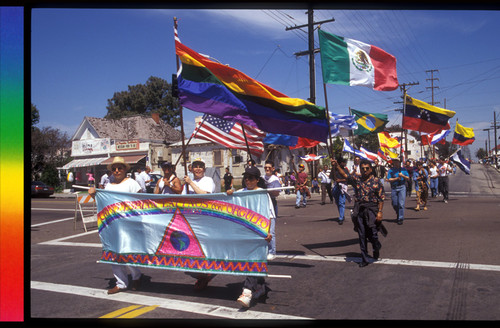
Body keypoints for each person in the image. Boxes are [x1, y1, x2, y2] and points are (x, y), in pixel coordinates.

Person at [89, 156, 143, 294]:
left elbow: (141, 201)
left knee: (129, 252)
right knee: (113, 253)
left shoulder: (132, 183)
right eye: (114, 169)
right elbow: (103, 202)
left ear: (125, 169)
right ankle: (121, 283)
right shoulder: (108, 185)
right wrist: (94, 195)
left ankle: (136, 276)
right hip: (112, 224)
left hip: (129, 223)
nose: (117, 171)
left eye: (120, 168)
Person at [227, 166, 273, 307]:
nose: (247, 180)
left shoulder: (263, 193)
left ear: (257, 180)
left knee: (254, 259)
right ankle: (260, 287)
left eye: (251, 178)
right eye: (246, 178)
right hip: (244, 232)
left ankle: (246, 291)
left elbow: (269, 215)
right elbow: (231, 199)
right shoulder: (241, 192)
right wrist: (229, 192)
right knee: (253, 259)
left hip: (259, 232)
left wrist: (268, 232)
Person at [332, 158, 385, 267]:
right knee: (362, 234)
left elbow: (381, 198)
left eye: (367, 168)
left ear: (371, 169)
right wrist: (336, 165)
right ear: (360, 170)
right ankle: (364, 258)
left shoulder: (376, 181)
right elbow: (345, 176)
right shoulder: (357, 179)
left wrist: (380, 212)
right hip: (360, 209)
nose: (365, 170)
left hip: (372, 210)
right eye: (362, 169)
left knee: (373, 234)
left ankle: (376, 246)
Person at [182, 158, 216, 290]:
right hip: (191, 218)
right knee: (193, 249)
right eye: (195, 166)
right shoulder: (187, 183)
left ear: (204, 169)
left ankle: (204, 276)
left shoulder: (208, 180)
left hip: (204, 218)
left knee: (204, 248)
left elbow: (204, 195)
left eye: (200, 166)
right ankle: (202, 276)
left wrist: (190, 183)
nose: (197, 169)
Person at [263, 160, 281, 260]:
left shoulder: (275, 179)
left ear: (273, 169)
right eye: (266, 167)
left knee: (271, 230)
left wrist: (267, 192)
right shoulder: (261, 178)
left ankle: (272, 251)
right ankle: (264, 250)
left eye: (269, 167)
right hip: (262, 204)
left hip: (272, 205)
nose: (267, 169)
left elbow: (276, 193)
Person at [386, 159, 410, 225]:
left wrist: (402, 176)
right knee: (395, 203)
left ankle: (400, 218)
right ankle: (398, 212)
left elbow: (408, 178)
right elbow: (389, 179)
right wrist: (396, 179)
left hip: (402, 186)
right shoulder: (391, 170)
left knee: (401, 204)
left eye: (397, 162)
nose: (396, 163)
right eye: (395, 162)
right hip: (394, 187)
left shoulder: (403, 170)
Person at [330, 158, 349, 225]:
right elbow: (332, 177)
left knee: (341, 202)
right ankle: (342, 214)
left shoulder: (345, 170)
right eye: (343, 162)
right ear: (340, 163)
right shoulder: (334, 170)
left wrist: (340, 180)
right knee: (338, 202)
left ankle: (341, 218)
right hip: (336, 187)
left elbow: (348, 179)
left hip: (342, 187)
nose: (345, 164)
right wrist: (333, 166)